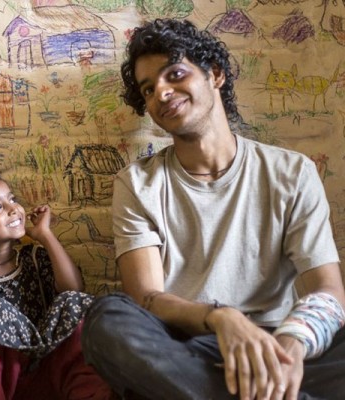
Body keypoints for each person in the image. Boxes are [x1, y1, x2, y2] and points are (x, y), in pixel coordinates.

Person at [80, 18, 345, 400]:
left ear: (215, 74)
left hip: (278, 343)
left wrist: (291, 347)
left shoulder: (292, 172)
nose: (162, 93)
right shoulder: (137, 184)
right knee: (106, 320)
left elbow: (328, 290)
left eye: (175, 74)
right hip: (188, 347)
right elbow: (146, 296)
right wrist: (221, 317)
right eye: (149, 89)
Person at [0, 172, 114, 400]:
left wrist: (44, 235)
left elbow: (73, 288)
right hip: (2, 381)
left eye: (12, 199)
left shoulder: (35, 257)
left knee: (74, 302)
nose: (13, 208)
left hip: (49, 370)